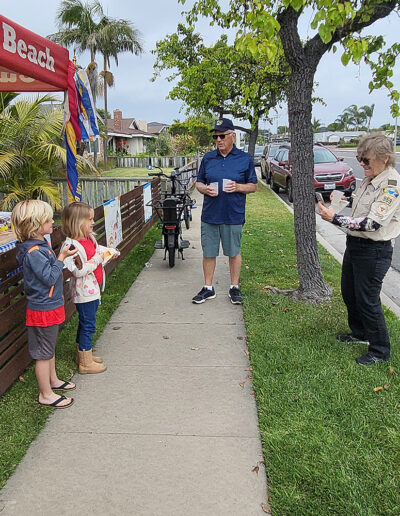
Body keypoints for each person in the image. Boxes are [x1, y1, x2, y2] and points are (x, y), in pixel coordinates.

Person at [318, 134, 400, 365]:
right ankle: (360, 333)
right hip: (355, 245)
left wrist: (335, 219)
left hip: (374, 250)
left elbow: (372, 223)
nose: (362, 164)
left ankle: (380, 350)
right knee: (349, 292)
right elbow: (358, 203)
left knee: (368, 299)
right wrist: (338, 200)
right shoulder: (370, 178)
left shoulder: (391, 185)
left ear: (385, 159)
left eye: (366, 160)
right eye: (359, 159)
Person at [12, 200, 77, 408]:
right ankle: (45, 394)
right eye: (47, 219)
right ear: (34, 225)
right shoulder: (34, 253)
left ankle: (53, 380)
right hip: (43, 309)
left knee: (49, 347)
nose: (52, 221)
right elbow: (48, 278)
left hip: (50, 304)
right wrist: (61, 257)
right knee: (43, 353)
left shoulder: (40, 245)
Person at [192, 118, 258, 305]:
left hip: (233, 214)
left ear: (233, 136)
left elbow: (253, 186)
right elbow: (199, 182)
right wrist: (204, 189)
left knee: (233, 252)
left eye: (222, 135)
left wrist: (238, 187)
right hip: (210, 214)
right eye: (216, 137)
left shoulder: (244, 159)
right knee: (209, 252)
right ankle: (208, 288)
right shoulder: (208, 158)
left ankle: (234, 287)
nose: (218, 140)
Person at [61, 202, 107, 374]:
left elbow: (95, 252)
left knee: (85, 323)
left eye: (93, 219)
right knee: (88, 325)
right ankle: (85, 364)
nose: (93, 222)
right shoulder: (71, 247)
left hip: (92, 290)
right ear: (77, 222)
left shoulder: (88, 238)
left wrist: (106, 253)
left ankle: (83, 355)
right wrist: (98, 259)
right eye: (89, 219)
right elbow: (78, 271)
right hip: (84, 293)